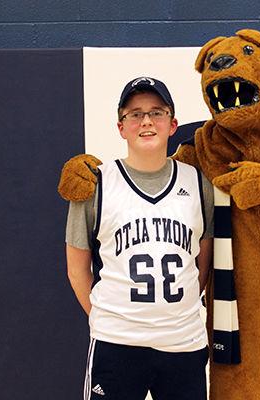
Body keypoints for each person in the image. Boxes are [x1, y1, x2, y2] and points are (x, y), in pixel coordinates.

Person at [64, 76, 214, 400]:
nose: (146, 121)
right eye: (135, 114)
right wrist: (108, 319)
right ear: (121, 127)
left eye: (156, 112)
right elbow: (77, 270)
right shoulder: (94, 184)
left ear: (173, 124)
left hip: (183, 343)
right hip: (117, 343)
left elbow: (203, 264)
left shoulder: (199, 184)